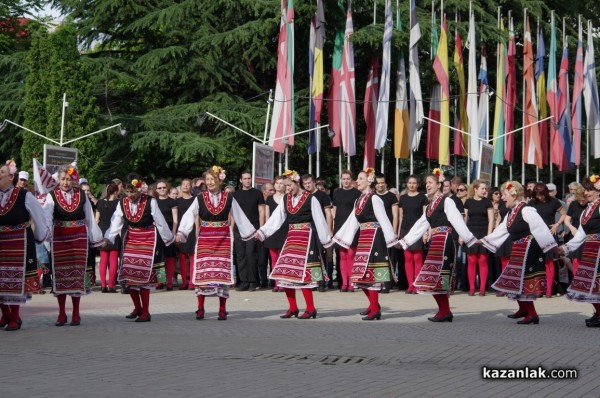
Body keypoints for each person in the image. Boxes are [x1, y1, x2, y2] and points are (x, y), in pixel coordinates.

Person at [251, 170, 332, 319]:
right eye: (286, 186)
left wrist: (326, 241)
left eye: (289, 186)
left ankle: (310, 308)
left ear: (296, 182)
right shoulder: (286, 199)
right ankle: (293, 308)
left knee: (304, 275)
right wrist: (262, 232)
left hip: (306, 237)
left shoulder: (310, 198)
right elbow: (277, 218)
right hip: (291, 237)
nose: (287, 189)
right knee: (285, 272)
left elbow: (320, 220)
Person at [399, 168, 477, 322]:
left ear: (438, 184)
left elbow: (456, 220)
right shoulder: (430, 205)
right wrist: (404, 241)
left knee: (438, 277)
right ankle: (445, 311)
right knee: (431, 278)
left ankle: (444, 311)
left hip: (445, 241)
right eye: (426, 183)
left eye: (430, 182)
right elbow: (421, 224)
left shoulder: (446, 201)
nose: (427, 185)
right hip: (436, 241)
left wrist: (469, 238)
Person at [177, 166, 253, 320]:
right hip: (205, 238)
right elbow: (189, 215)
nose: (210, 182)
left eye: (213, 179)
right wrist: (182, 231)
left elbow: (239, 215)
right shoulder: (199, 198)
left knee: (221, 274)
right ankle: (200, 308)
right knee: (203, 272)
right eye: (208, 179)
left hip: (223, 237)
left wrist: (250, 233)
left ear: (220, 180)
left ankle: (222, 309)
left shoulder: (229, 197)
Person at [481, 181, 560, 325]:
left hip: (529, 248)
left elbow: (540, 228)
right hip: (519, 248)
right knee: (514, 278)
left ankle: (532, 314)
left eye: (504, 195)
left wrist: (553, 248)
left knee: (523, 280)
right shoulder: (512, 212)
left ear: (513, 195)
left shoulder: (526, 209)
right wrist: (483, 241)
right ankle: (523, 309)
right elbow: (502, 230)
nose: (502, 198)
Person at [104, 173, 174, 322]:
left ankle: (146, 312)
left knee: (143, 278)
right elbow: (116, 221)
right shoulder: (122, 202)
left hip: (147, 238)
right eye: (127, 192)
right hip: (131, 238)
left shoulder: (150, 201)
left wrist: (169, 238)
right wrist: (108, 238)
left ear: (140, 188)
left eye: (133, 191)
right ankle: (137, 307)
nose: (130, 195)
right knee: (128, 277)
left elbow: (160, 221)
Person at [333, 168, 398, 320]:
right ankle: (373, 305)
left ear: (369, 181)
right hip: (363, 238)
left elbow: (383, 219)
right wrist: (340, 238)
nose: (357, 181)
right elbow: (352, 222)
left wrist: (391, 240)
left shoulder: (374, 198)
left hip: (375, 238)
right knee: (359, 275)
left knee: (371, 275)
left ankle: (375, 309)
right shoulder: (359, 200)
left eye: (360, 178)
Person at [43, 164, 103, 326]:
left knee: (77, 275)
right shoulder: (52, 196)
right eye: (63, 179)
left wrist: (94, 237)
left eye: (68, 179)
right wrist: (47, 237)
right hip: (60, 238)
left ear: (73, 180)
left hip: (79, 238)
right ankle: (62, 313)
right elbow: (47, 217)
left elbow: (89, 218)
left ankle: (76, 313)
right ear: (58, 180)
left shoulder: (82, 195)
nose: (65, 183)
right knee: (61, 275)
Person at [0, 160, 49, 330]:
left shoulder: (24, 195)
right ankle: (5, 314)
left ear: (11, 177)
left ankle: (14, 316)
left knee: (15, 279)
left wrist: (40, 236)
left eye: (2, 173)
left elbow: (39, 216)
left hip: (19, 241)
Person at [559, 175, 600, 327]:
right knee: (590, 285)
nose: (587, 193)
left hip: (599, 250)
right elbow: (581, 235)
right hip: (590, 249)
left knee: (595, 284)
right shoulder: (587, 210)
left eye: (590, 190)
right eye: (586, 190)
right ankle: (599, 313)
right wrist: (564, 248)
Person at [529, 182, 566, 297]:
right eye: (537, 195)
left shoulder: (554, 201)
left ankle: (549, 290)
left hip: (549, 234)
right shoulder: (532, 202)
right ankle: (538, 289)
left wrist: (557, 224)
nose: (539, 197)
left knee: (549, 262)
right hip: (535, 235)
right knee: (536, 263)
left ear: (545, 193)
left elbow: (564, 213)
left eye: (541, 195)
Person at [233, 171, 265, 291]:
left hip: (253, 229)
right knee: (240, 256)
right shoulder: (235, 195)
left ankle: (253, 281)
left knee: (251, 255)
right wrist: (231, 229)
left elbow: (262, 212)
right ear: (240, 180)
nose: (247, 180)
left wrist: (261, 230)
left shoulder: (257, 194)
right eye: (245, 178)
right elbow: (232, 214)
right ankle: (244, 281)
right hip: (238, 230)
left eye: (249, 178)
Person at [302, 173, 333, 291]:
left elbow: (328, 213)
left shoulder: (322, 195)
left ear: (314, 182)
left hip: (319, 229)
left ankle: (322, 282)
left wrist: (329, 230)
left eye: (309, 183)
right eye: (305, 184)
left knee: (320, 255)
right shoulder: (303, 196)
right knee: (309, 256)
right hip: (307, 230)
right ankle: (311, 279)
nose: (307, 185)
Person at [463, 180, 494, 296]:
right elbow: (465, 220)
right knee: (471, 261)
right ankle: (471, 288)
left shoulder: (487, 202)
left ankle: (482, 288)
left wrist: (489, 236)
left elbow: (491, 220)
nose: (484, 191)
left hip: (483, 232)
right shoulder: (468, 202)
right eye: (482, 188)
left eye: (485, 189)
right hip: (471, 233)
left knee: (483, 260)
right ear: (475, 189)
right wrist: (463, 234)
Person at [398, 175, 428, 294]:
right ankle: (410, 285)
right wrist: (399, 233)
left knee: (418, 258)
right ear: (407, 184)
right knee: (408, 258)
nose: (412, 185)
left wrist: (425, 232)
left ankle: (417, 284)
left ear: (418, 184)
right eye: (410, 183)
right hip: (405, 230)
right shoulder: (403, 198)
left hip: (418, 231)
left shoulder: (422, 198)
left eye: (414, 183)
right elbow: (401, 217)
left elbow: (426, 216)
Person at [332, 170, 361, 292]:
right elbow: (334, 208)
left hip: (352, 227)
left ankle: (351, 283)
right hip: (339, 226)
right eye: (343, 179)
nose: (346, 181)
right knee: (342, 255)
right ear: (341, 180)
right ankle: (344, 283)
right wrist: (333, 227)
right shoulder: (337, 192)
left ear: (352, 180)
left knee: (351, 255)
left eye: (348, 179)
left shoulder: (357, 193)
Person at [374, 173, 399, 293]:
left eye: (382, 183)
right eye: (378, 183)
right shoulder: (372, 196)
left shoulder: (391, 197)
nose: (380, 185)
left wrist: (394, 232)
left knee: (389, 257)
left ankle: (388, 284)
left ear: (385, 184)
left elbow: (395, 215)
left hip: (388, 231)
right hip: (376, 231)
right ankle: (379, 282)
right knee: (378, 257)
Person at [95, 182, 121, 293]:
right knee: (114, 259)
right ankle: (111, 285)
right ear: (115, 192)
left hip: (102, 232)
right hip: (114, 234)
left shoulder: (100, 203)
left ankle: (103, 285)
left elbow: (96, 220)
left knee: (103, 260)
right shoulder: (118, 203)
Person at [153, 180, 178, 290]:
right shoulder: (154, 202)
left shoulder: (172, 201)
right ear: (156, 190)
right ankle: (160, 281)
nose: (162, 189)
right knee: (159, 257)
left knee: (169, 257)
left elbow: (175, 219)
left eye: (164, 187)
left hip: (169, 232)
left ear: (167, 188)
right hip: (157, 233)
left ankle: (169, 282)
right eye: (160, 188)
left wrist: (173, 233)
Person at [264, 176, 287, 292]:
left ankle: (283, 282)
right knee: (274, 258)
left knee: (283, 258)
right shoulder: (269, 199)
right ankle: (277, 282)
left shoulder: (287, 198)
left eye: (281, 183)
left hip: (284, 230)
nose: (279, 185)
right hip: (272, 231)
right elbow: (267, 216)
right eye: (277, 183)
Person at [176, 178, 196, 290]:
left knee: (192, 256)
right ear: (181, 186)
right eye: (183, 184)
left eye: (188, 184)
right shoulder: (177, 201)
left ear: (191, 187)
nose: (185, 186)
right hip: (181, 230)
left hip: (192, 230)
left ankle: (192, 281)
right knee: (182, 256)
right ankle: (184, 281)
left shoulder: (195, 200)